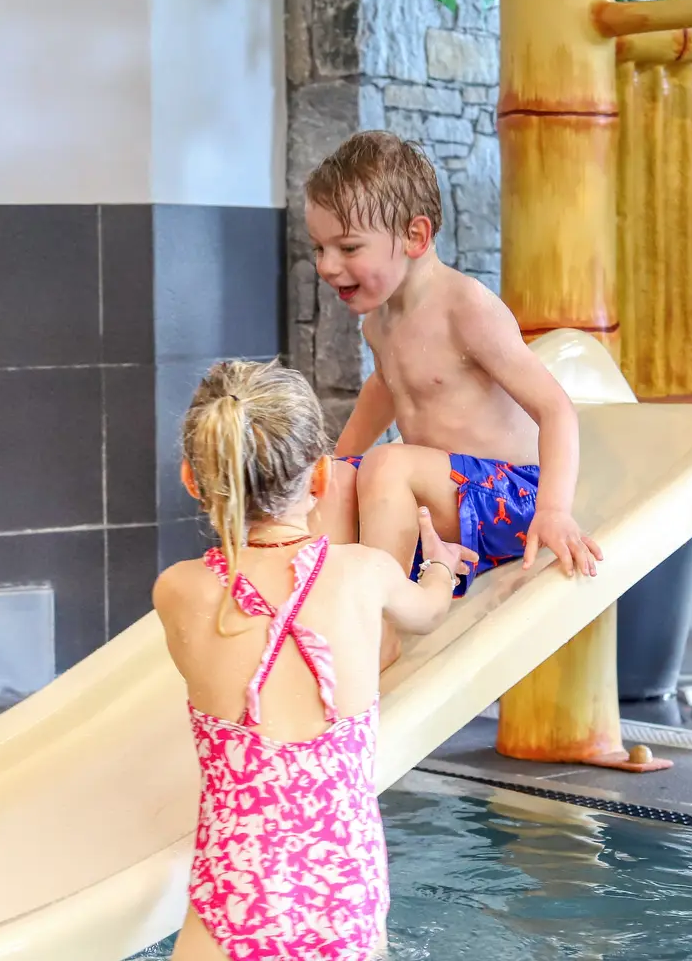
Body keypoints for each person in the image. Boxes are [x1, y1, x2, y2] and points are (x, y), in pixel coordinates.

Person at [152, 359, 476, 961]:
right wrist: (439, 564)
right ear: (323, 476)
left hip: (234, 896)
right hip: (346, 893)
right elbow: (430, 612)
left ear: (193, 481)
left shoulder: (179, 591)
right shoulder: (366, 573)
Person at [303, 131, 603, 656]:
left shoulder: (465, 309)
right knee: (333, 481)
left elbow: (555, 408)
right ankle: (315, 618)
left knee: (389, 464)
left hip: (511, 503)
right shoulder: (379, 323)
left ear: (415, 236)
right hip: (444, 507)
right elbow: (386, 387)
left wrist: (553, 509)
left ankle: (382, 635)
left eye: (347, 247)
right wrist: (337, 463)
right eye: (319, 248)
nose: (327, 265)